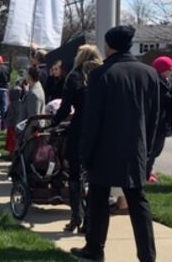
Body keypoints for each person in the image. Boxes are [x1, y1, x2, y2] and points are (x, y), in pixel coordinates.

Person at [73, 25, 158, 262]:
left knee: (98, 200)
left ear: (109, 46)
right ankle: (147, 255)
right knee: (137, 201)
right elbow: (154, 118)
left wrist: (85, 152)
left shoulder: (100, 75)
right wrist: (149, 151)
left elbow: (92, 120)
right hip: (136, 147)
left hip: (104, 148)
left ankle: (95, 249)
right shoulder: (149, 73)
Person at [54, 44, 102, 234]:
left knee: (75, 174)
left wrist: (54, 122)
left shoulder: (74, 76)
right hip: (100, 128)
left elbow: (65, 108)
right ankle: (90, 219)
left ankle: (76, 216)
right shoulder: (104, 74)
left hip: (80, 127)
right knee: (95, 176)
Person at [147, 56, 172, 184]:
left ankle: (148, 172)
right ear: (164, 69)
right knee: (153, 149)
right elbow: (164, 100)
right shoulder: (156, 83)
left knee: (156, 150)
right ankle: (146, 174)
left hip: (161, 121)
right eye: (170, 68)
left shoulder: (164, 81)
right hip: (156, 121)